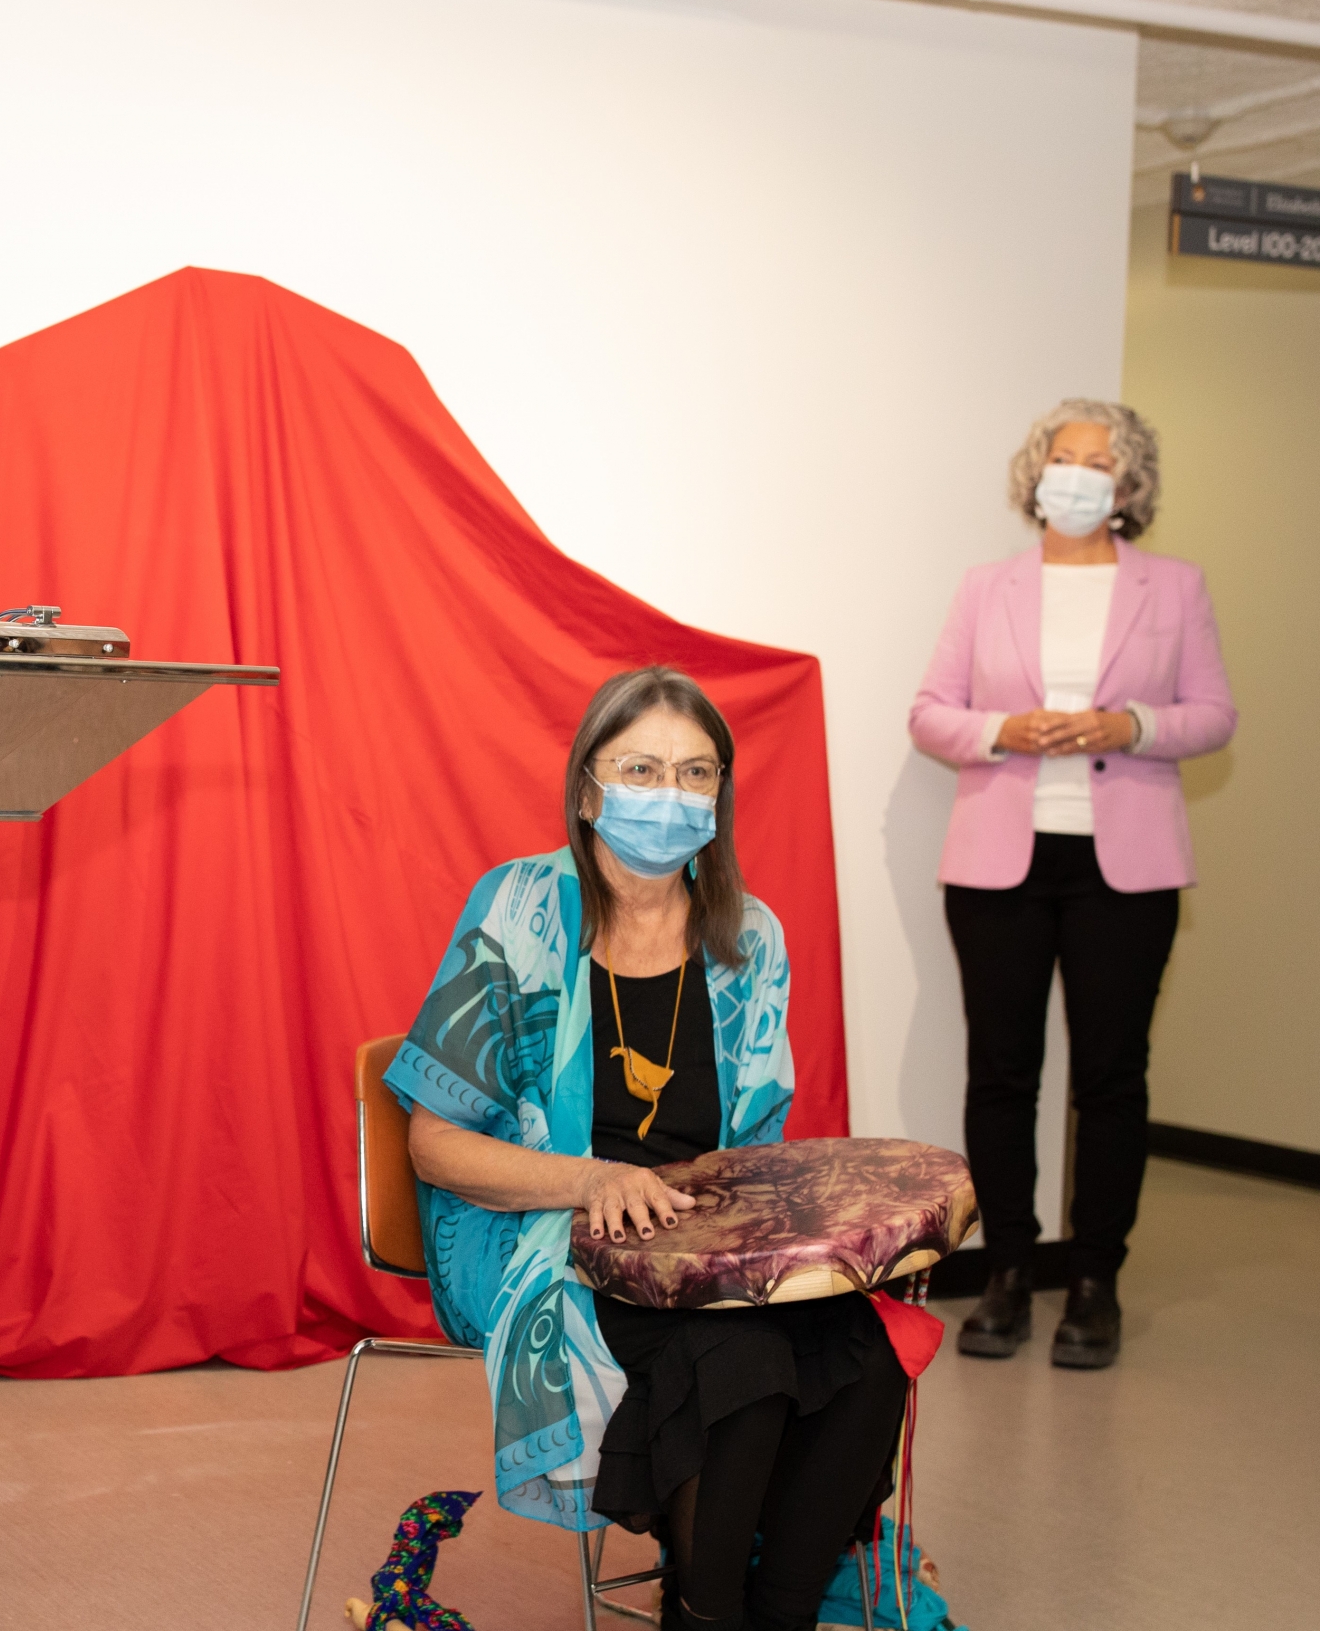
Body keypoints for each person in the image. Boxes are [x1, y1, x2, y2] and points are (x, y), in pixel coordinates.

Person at [385, 667, 909, 1631]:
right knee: (738, 1361)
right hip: (546, 1232)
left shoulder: (750, 936)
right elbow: (434, 1144)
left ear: (719, 796)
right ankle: (703, 1613)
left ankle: (776, 1610)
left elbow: (755, 1153)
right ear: (588, 787)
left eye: (694, 772)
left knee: (865, 1355)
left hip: (701, 1243)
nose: (668, 795)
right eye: (641, 767)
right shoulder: (520, 911)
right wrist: (595, 1180)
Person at [909, 399, 1235, 1370]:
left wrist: (1129, 726)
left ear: (1128, 484)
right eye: (1063, 457)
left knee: (1111, 1078)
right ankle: (1006, 1272)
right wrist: (1001, 731)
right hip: (998, 863)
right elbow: (930, 713)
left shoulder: (1174, 587)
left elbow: (1213, 714)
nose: (1078, 474)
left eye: (1099, 461)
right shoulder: (986, 586)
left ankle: (1093, 1280)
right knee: (1001, 1075)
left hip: (1122, 869)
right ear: (1036, 472)